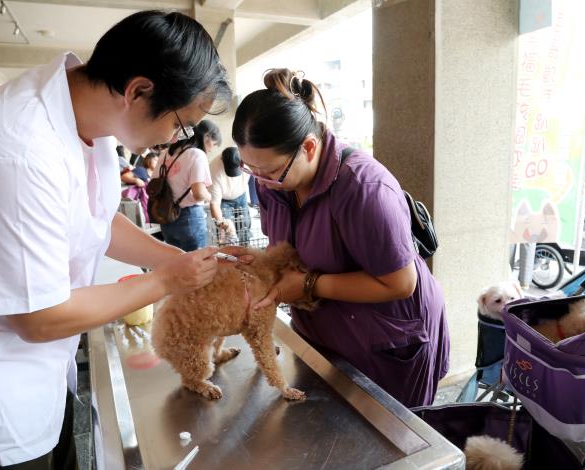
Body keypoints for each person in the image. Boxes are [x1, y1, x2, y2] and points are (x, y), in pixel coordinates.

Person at [0, 11, 249, 469]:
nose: (176, 138)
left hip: (43, 377)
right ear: (139, 91)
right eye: (182, 124)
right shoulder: (18, 148)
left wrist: (174, 256)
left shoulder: (90, 118)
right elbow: (38, 317)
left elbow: (95, 218)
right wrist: (165, 281)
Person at [232, 68, 450, 407]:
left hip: (386, 338)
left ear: (308, 146)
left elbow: (399, 283)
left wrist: (308, 286)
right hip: (326, 335)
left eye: (271, 172)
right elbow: (293, 250)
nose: (261, 181)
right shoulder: (273, 185)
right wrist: (258, 263)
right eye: (250, 169)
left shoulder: (364, 188)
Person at [157, 121, 214, 252]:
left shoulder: (164, 154)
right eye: (214, 144)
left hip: (166, 217)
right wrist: (209, 196)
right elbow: (199, 193)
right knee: (198, 265)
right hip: (190, 218)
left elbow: (154, 185)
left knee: (177, 263)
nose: (211, 149)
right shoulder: (196, 154)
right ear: (205, 137)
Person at [209, 147, 251, 245]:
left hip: (241, 195)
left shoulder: (248, 158)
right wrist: (222, 225)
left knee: (244, 225)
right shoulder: (214, 170)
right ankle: (230, 252)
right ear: (222, 160)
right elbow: (214, 204)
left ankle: (246, 248)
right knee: (227, 234)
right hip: (224, 200)